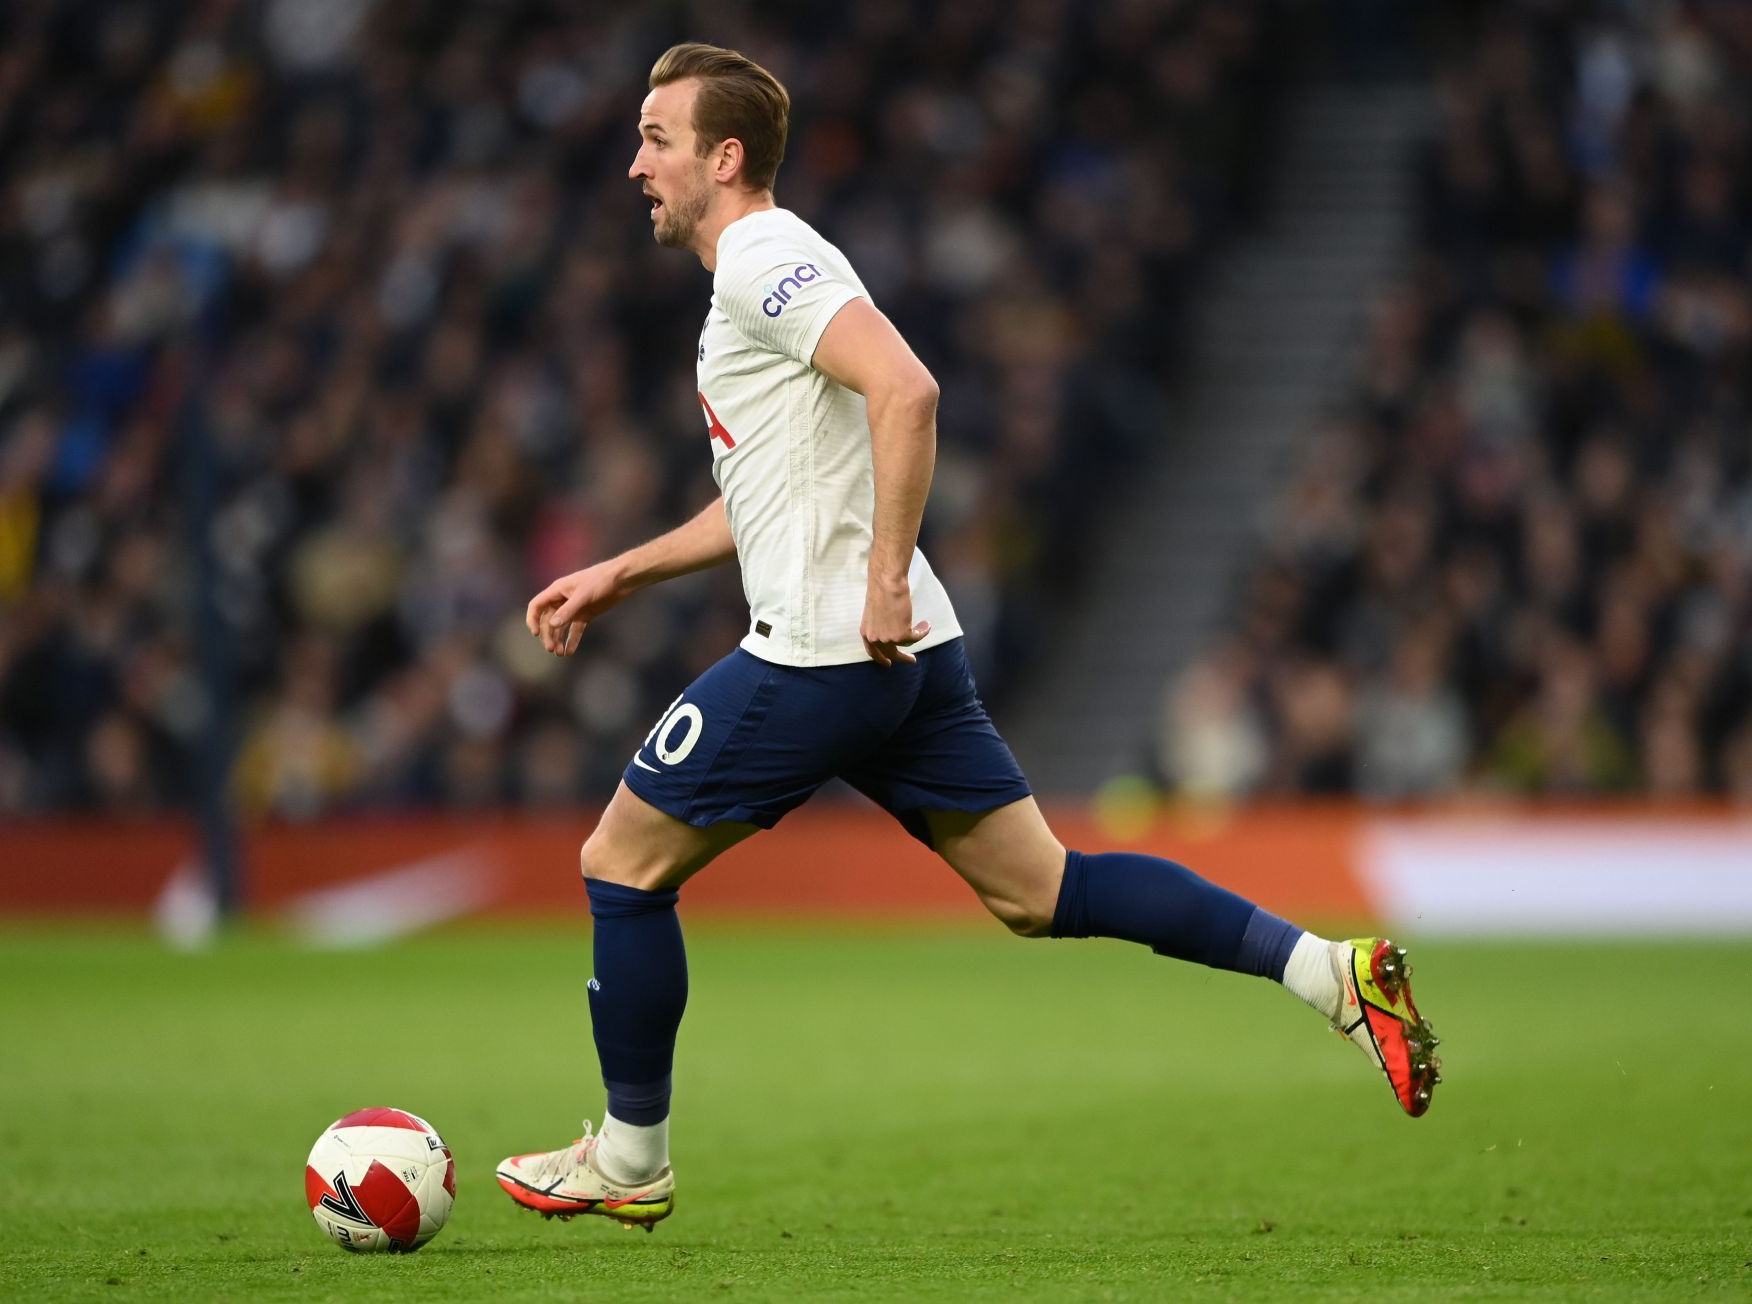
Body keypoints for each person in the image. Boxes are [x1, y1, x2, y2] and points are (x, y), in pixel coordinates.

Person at [494, 43, 1441, 1231]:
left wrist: (881, 575)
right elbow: (773, 490)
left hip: (828, 649)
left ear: (723, 159)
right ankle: (1329, 973)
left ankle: (631, 1157)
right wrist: (622, 570)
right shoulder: (762, 269)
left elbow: (910, 391)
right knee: (1043, 888)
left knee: (619, 866)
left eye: (657, 138)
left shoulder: (761, 255)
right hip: (907, 654)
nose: (636, 163)